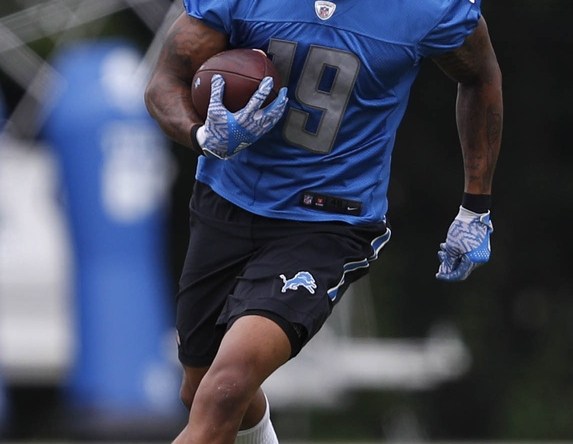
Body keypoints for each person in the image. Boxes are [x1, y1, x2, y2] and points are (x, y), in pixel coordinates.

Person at [144, 0, 502, 442]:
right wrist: (202, 134)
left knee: (226, 386)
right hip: (228, 202)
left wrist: (475, 207)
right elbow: (165, 81)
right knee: (201, 388)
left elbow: (480, 75)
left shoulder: (426, 7)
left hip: (327, 221)